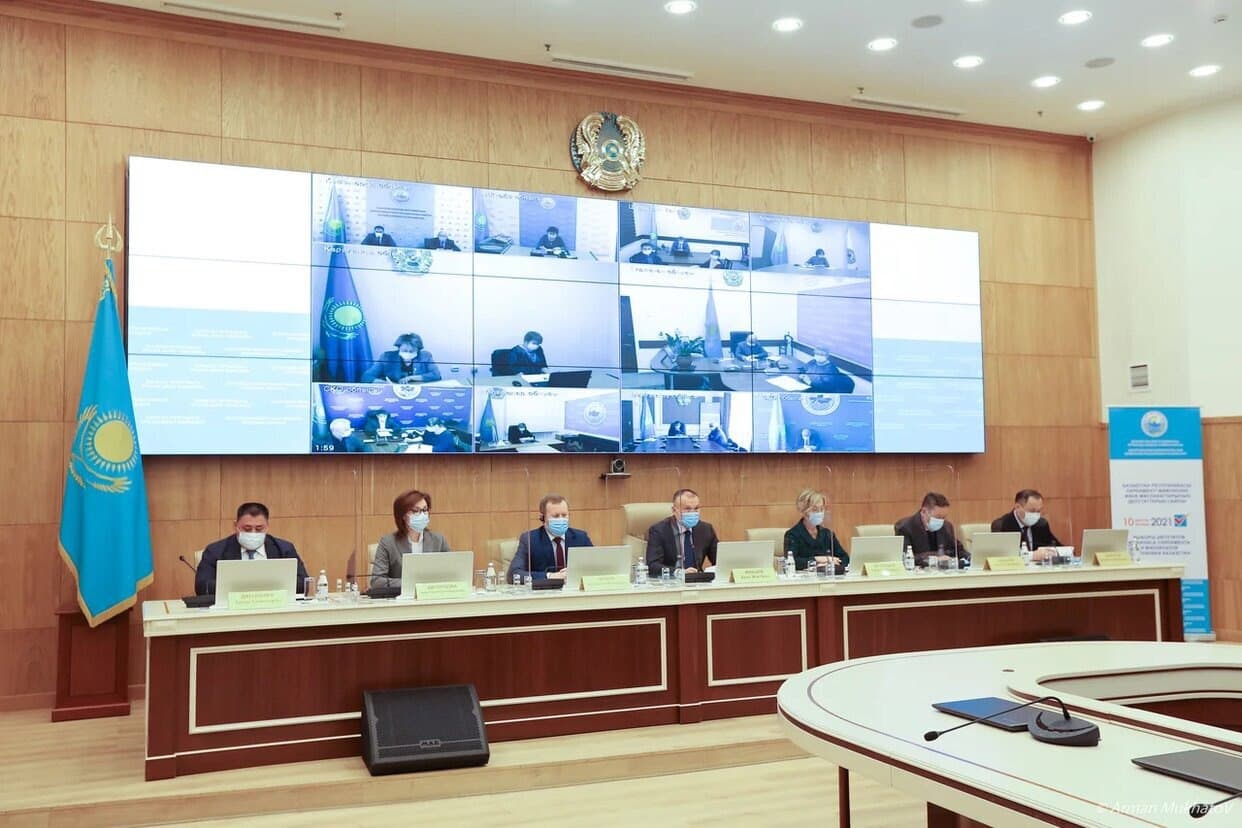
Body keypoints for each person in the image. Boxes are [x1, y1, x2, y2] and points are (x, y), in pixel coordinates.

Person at [195, 502, 308, 596]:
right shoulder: (215, 551)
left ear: (267, 526)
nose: (253, 533)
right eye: (247, 528)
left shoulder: (284, 549)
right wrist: (244, 586)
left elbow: (303, 583)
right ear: (235, 526)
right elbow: (202, 587)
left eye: (259, 529)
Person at [370, 489, 451, 590]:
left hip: (431, 596)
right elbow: (377, 581)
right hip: (400, 597)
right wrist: (412, 583)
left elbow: (452, 574)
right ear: (403, 515)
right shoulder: (388, 543)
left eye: (425, 510)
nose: (422, 515)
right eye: (415, 511)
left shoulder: (439, 540)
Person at [507, 494, 594, 581]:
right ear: (542, 518)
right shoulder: (530, 539)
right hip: (545, 589)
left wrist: (575, 573)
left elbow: (596, 569)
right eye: (555, 516)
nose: (561, 519)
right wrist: (550, 576)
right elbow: (513, 574)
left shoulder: (581, 538)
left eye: (564, 515)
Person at [645, 488, 719, 576]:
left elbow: (719, 560)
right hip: (670, 581)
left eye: (696, 508)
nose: (692, 512)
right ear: (674, 510)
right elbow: (653, 566)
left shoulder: (706, 529)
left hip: (698, 580)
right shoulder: (659, 530)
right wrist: (679, 573)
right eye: (687, 509)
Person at [782, 489, 849, 573]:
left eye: (822, 509)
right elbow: (792, 561)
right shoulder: (792, 535)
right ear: (804, 511)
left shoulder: (827, 534)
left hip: (827, 576)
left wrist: (827, 564)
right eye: (815, 510)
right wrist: (817, 560)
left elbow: (845, 558)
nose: (819, 513)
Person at [894, 492, 967, 568]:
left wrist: (971, 558)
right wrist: (936, 558)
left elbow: (958, 550)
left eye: (943, 517)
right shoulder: (905, 527)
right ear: (923, 512)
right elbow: (905, 558)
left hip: (944, 572)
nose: (941, 521)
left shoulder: (946, 526)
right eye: (938, 517)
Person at [992, 489, 1062, 559]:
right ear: (1017, 507)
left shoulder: (1041, 524)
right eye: (1032, 511)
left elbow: (1057, 546)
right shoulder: (1001, 525)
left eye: (1038, 511)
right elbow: (1000, 556)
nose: (1036, 515)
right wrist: (1031, 556)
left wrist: (1055, 552)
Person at [362, 333, 441, 383]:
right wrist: (383, 383)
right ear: (399, 348)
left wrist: (411, 378)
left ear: (418, 349)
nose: (408, 353)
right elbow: (366, 377)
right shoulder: (386, 357)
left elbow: (436, 375)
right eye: (404, 350)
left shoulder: (425, 356)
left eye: (412, 351)